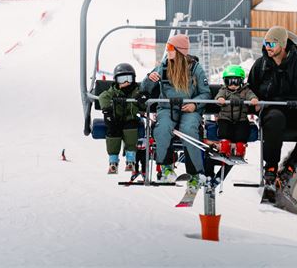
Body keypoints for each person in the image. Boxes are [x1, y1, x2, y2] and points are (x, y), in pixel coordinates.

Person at [248, 26, 297, 190]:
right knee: (276, 118)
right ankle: (271, 167)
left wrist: (292, 102)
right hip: (271, 111)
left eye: (272, 44)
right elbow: (250, 88)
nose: (267, 48)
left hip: (294, 110)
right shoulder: (261, 65)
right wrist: (254, 102)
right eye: (266, 43)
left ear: (282, 45)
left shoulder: (295, 66)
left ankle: (291, 165)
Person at [141, 34, 210, 188]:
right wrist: (149, 78)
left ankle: (195, 173)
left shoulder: (195, 68)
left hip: (188, 109)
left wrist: (194, 104)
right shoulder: (163, 66)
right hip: (167, 107)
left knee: (189, 129)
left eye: (170, 48)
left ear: (179, 51)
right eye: (167, 47)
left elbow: (205, 93)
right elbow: (144, 89)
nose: (167, 50)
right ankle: (166, 168)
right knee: (162, 128)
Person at [98, 63, 143, 174]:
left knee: (131, 129)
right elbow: (103, 96)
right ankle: (113, 160)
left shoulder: (136, 91)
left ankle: (130, 158)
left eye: (129, 78)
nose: (125, 82)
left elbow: (144, 104)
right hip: (115, 118)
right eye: (122, 79)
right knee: (113, 131)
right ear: (116, 81)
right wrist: (107, 110)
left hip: (130, 118)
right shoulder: (113, 91)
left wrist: (142, 99)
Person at [214, 65, 259, 157]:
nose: (232, 85)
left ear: (241, 81)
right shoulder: (224, 90)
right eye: (229, 82)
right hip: (225, 117)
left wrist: (253, 99)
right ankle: (224, 145)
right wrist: (220, 99)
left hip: (241, 118)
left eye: (236, 82)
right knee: (224, 129)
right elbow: (219, 96)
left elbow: (251, 95)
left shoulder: (245, 90)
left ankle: (240, 147)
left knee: (243, 130)